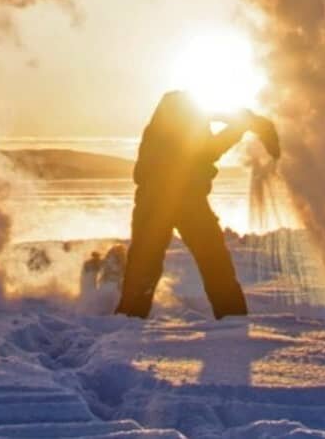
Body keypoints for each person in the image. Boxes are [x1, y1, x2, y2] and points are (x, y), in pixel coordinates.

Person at [115, 90, 280, 320]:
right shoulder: (178, 127)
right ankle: (232, 318)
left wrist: (238, 122)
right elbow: (208, 151)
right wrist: (239, 126)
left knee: (149, 264)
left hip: (162, 199)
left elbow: (204, 146)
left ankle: (130, 316)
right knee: (209, 260)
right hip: (175, 200)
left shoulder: (166, 124)